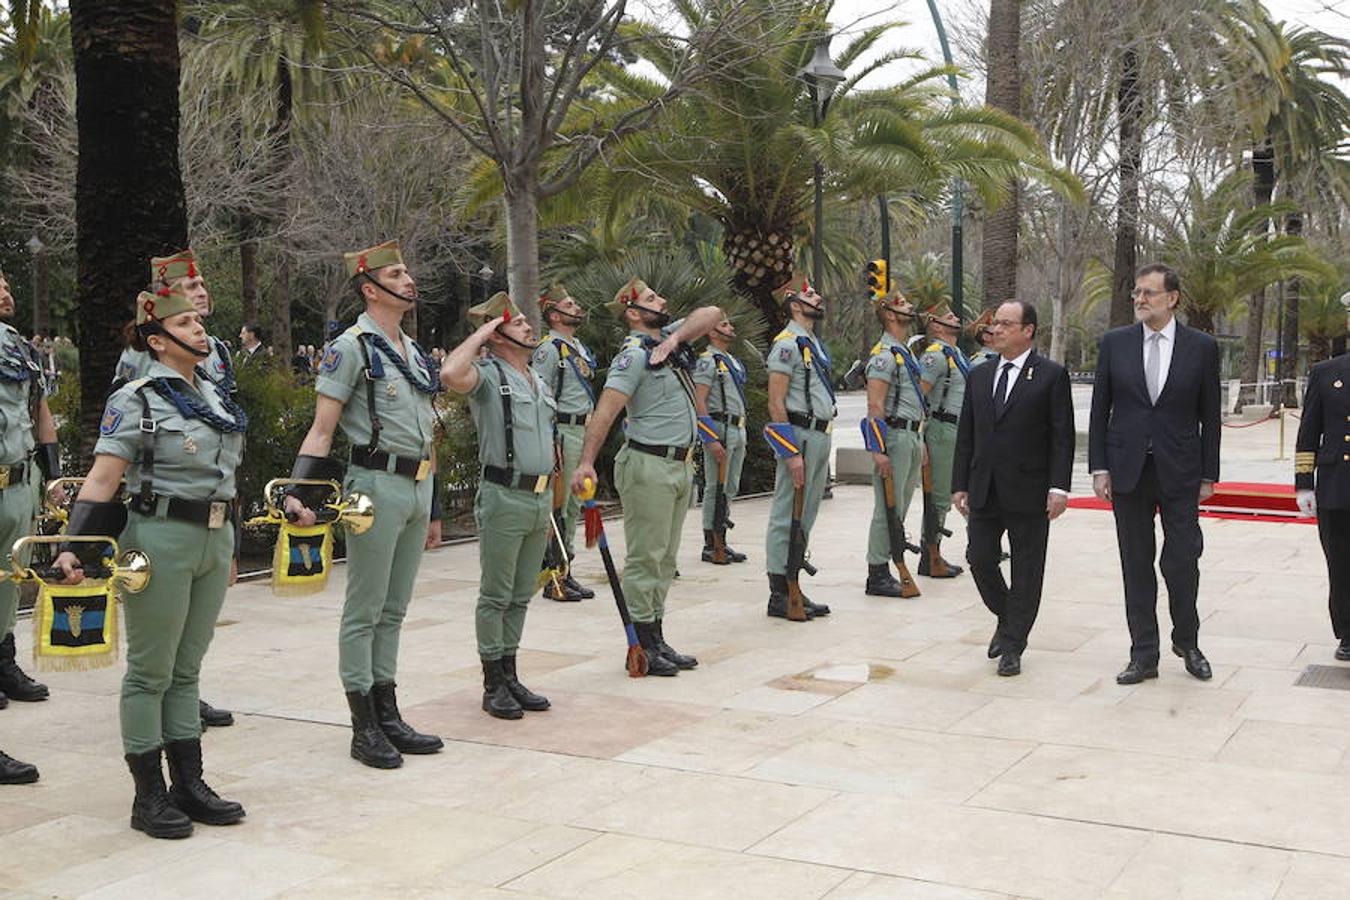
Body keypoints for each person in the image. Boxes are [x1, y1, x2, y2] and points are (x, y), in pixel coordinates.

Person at [55, 283, 247, 838]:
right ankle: (149, 795)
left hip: (212, 539)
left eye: (197, 322)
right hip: (159, 536)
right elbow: (104, 478)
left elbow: (224, 478)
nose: (199, 329)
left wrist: (228, 539)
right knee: (150, 672)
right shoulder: (135, 399)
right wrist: (74, 545)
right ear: (158, 341)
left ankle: (190, 782)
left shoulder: (213, 393)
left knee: (187, 670)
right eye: (185, 324)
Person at [284, 240, 443, 768]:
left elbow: (429, 434)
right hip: (373, 485)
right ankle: (364, 724)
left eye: (407, 271)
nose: (409, 279)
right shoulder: (351, 347)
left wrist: (434, 505)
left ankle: (388, 710)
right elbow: (323, 428)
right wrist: (298, 493)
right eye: (397, 274)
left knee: (394, 608)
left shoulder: (412, 351)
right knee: (365, 608)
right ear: (371, 288)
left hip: (416, 484)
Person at [569, 277, 722, 675]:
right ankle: (641, 642)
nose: (664, 299)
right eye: (653, 298)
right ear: (634, 313)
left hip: (679, 464)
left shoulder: (669, 341)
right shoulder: (633, 355)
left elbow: (712, 314)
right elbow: (606, 410)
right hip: (648, 464)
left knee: (666, 558)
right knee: (646, 557)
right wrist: (586, 461)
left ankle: (656, 635)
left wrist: (673, 342)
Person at [1089, 263, 1221, 685]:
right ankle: (1143, 654)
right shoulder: (1115, 343)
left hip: (1180, 469)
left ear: (1172, 298)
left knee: (1182, 559)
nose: (1140, 300)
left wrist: (1208, 474)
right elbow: (1099, 411)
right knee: (1136, 563)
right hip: (1128, 470)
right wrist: (1099, 466)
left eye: (1149, 293)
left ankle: (1188, 640)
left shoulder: (1201, 347)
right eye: (1137, 293)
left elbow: (1211, 416)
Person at [443, 292, 554, 718]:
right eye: (519, 322)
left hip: (537, 497)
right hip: (503, 494)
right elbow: (451, 371)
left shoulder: (537, 380)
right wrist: (485, 333)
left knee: (522, 593)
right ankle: (493, 682)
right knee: (496, 594)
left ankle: (510, 672)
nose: (529, 326)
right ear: (499, 335)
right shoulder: (488, 376)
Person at [952, 300, 1074, 677]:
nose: (996, 330)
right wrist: (959, 484)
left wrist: (1059, 488)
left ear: (1028, 331)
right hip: (984, 487)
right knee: (980, 558)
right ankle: (1007, 617)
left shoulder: (1051, 375)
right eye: (995, 324)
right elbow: (966, 434)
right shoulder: (980, 375)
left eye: (1006, 324)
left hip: (1030, 489)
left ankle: (1014, 645)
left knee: (1027, 570)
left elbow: (1062, 437)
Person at [0, 268, 60, 786]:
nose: (4, 289)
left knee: (5, 599)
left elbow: (39, 410)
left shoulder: (18, 347)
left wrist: (53, 475)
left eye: (4, 281)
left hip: (19, 484)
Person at [763, 277, 834, 619]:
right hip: (800, 433)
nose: (817, 297)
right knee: (785, 514)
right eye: (809, 295)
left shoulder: (811, 343)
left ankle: (794, 584)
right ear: (794, 305)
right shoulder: (787, 344)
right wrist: (790, 452)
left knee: (805, 514)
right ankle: (779, 591)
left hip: (820, 434)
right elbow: (775, 403)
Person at [528, 284, 597, 602]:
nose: (577, 308)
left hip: (583, 430)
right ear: (555, 314)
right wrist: (550, 438)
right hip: (564, 431)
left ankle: (567, 570)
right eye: (570, 305)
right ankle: (554, 575)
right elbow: (542, 396)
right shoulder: (549, 349)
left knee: (575, 504)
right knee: (560, 505)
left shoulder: (577, 346)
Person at [860, 290, 927, 599]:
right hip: (895, 436)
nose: (910, 308)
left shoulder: (904, 353)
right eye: (902, 305)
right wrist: (878, 448)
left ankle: (887, 563)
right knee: (886, 507)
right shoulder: (885, 354)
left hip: (911, 434)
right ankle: (877, 572)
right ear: (888, 314)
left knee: (899, 507)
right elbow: (875, 404)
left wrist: (920, 437)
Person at [1295, 307, 1350, 661]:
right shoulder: (1327, 372)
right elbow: (1308, 431)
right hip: (1337, 483)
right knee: (1341, 561)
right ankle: (1347, 632)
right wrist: (1304, 483)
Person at [114, 251, 235, 396]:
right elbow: (125, 401)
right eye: (192, 286)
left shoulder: (217, 349)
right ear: (165, 293)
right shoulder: (146, 349)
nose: (202, 293)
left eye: (202, 285)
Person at [917, 301, 968, 579]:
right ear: (936, 326)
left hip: (956, 431)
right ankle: (930, 555)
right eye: (948, 317)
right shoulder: (935, 356)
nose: (956, 318)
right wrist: (921, 435)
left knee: (945, 493)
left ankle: (933, 553)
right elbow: (918, 396)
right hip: (941, 430)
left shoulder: (955, 354)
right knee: (937, 496)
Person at [692, 315, 749, 565]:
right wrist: (710, 437)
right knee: (716, 486)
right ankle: (711, 543)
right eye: (724, 325)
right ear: (711, 332)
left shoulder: (731, 361)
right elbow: (699, 399)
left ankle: (722, 540)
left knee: (730, 486)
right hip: (720, 427)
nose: (731, 328)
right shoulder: (708, 361)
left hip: (737, 427)